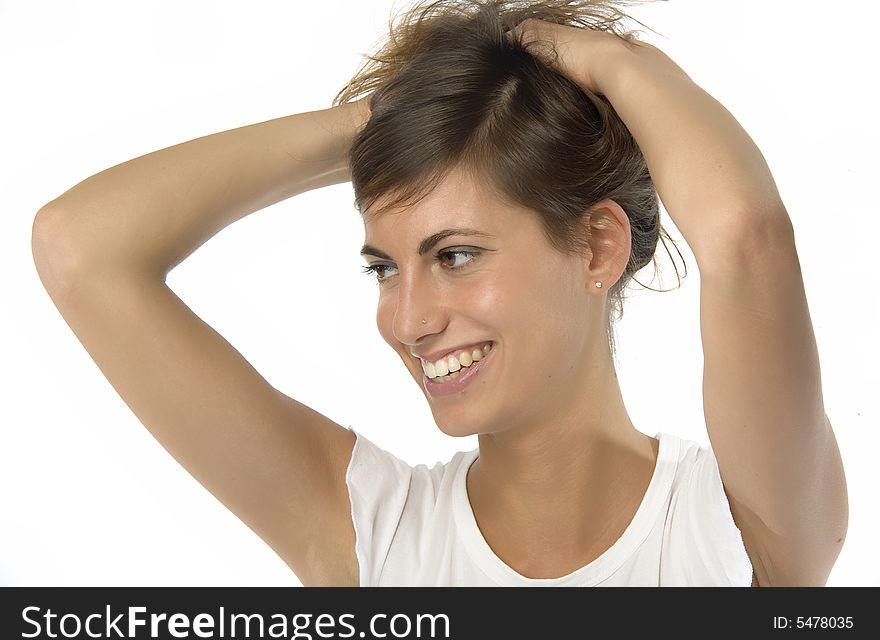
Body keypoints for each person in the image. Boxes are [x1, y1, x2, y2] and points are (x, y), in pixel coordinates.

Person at [31, 0, 847, 586]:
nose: (407, 319)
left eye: (454, 254)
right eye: (384, 266)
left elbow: (746, 238)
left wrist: (614, 63)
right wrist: (378, 124)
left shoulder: (737, 527)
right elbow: (80, 248)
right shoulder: (375, 540)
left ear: (599, 246)